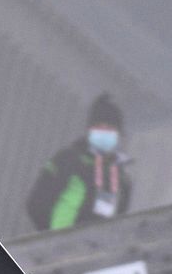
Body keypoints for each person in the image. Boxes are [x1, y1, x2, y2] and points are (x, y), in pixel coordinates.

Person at [26, 93, 133, 231]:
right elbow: (36, 204)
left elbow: (118, 223)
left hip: (97, 250)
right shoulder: (68, 159)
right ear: (89, 130)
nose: (104, 133)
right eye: (99, 127)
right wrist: (51, 237)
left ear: (119, 135)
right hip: (58, 245)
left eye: (110, 129)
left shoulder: (122, 180)